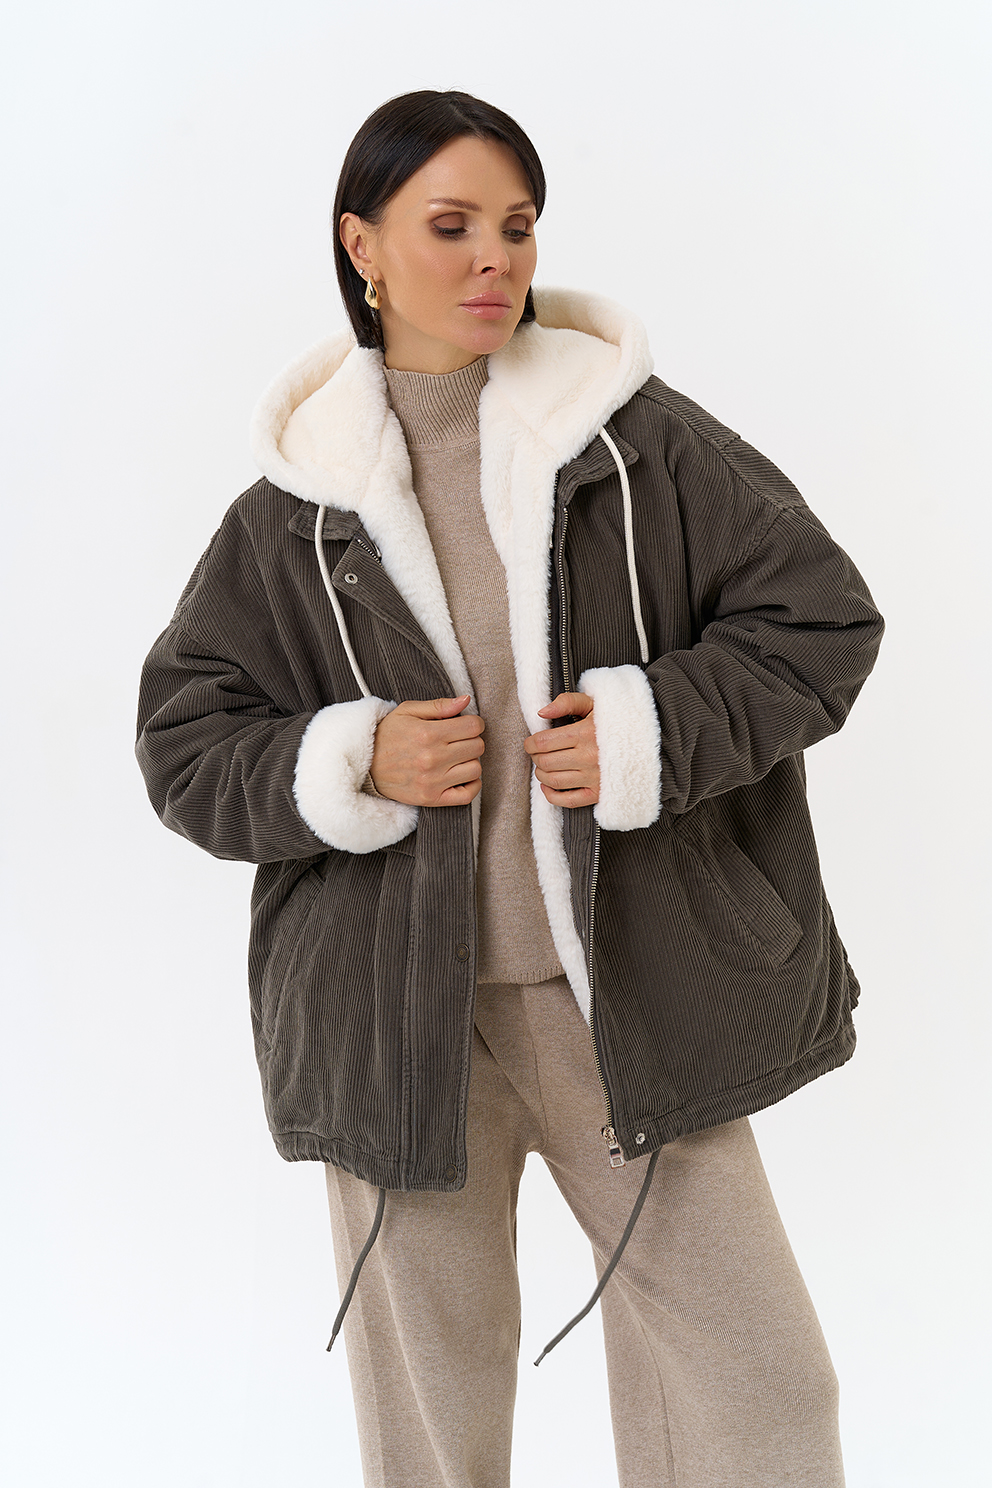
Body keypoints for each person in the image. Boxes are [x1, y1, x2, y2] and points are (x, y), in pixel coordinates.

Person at [136, 89, 883, 1488]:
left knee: (763, 1391)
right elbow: (184, 744)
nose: (495, 258)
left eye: (519, 226)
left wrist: (650, 729)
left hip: (630, 995)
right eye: (452, 225)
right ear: (362, 245)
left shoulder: (634, 443)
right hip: (394, 1021)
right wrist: (352, 760)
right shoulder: (293, 507)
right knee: (435, 1431)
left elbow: (821, 623)